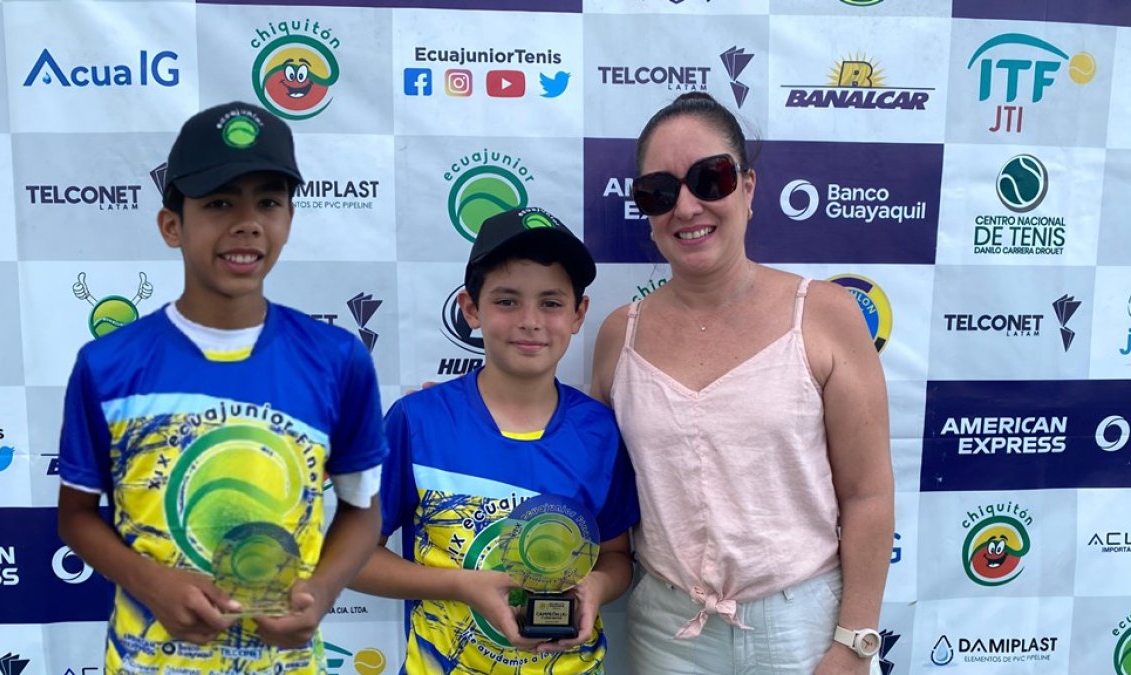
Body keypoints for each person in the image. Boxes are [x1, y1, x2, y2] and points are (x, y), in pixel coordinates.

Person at [56, 101, 388, 674]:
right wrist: (151, 583)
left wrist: (323, 592)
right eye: (218, 203)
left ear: (287, 219)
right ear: (172, 225)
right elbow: (76, 517)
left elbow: (363, 510)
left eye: (268, 202)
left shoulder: (337, 360)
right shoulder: (107, 364)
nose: (247, 222)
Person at [590, 92, 893, 675]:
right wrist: (474, 413)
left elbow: (868, 494)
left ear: (748, 188)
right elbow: (579, 462)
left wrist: (855, 640)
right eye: (659, 190)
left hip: (807, 627)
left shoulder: (825, 314)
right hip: (667, 631)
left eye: (711, 178)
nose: (686, 206)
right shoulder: (617, 337)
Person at [350, 206, 640, 674]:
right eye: (507, 301)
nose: (530, 320)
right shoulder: (417, 421)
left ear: (578, 314)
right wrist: (461, 586)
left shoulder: (600, 431)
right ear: (470, 309)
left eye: (551, 302)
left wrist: (596, 589)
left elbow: (616, 557)